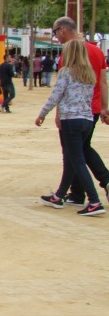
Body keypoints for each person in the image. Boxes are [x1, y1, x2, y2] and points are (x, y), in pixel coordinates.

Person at [36, 39, 105, 216]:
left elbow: (56, 95)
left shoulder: (66, 72)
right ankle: (59, 196)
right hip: (87, 119)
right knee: (73, 158)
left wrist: (43, 113)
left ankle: (94, 201)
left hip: (71, 120)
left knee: (77, 161)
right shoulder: (89, 73)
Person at [50, 16, 109, 205]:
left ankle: (80, 193)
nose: (56, 37)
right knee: (82, 147)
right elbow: (103, 81)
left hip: (73, 111)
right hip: (92, 108)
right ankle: (86, 188)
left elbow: (62, 88)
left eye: (55, 32)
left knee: (71, 151)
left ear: (63, 30)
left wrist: (58, 114)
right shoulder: (97, 51)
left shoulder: (68, 54)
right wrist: (105, 107)